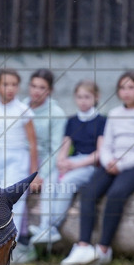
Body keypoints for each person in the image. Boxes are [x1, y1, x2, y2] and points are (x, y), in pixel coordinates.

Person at [62, 70, 134, 265]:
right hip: (113, 164)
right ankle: (83, 246)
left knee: (116, 193)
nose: (126, 92)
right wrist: (109, 161)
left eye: (131, 87)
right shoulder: (115, 114)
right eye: (122, 88)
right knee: (90, 190)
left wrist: (122, 164)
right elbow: (106, 145)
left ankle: (103, 249)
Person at [29, 80, 107, 246]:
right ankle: (43, 225)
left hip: (89, 165)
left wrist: (76, 165)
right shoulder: (72, 121)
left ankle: (52, 227)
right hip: (72, 161)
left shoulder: (101, 122)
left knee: (67, 182)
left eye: (87, 97)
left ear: (96, 97)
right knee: (51, 179)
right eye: (79, 97)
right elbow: (65, 145)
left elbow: (100, 153)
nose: (83, 101)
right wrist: (62, 161)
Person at [0, 68, 38, 262]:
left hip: (18, 157)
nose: (10, 88)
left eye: (14, 84)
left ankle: (12, 243)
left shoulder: (23, 111)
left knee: (13, 197)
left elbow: (32, 142)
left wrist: (33, 171)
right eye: (6, 84)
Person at [23, 69, 68, 254]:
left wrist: (39, 175)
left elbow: (56, 150)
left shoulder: (56, 114)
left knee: (51, 183)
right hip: (22, 157)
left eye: (42, 87)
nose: (36, 91)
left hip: (46, 160)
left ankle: (46, 228)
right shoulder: (22, 107)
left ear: (49, 91)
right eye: (33, 86)